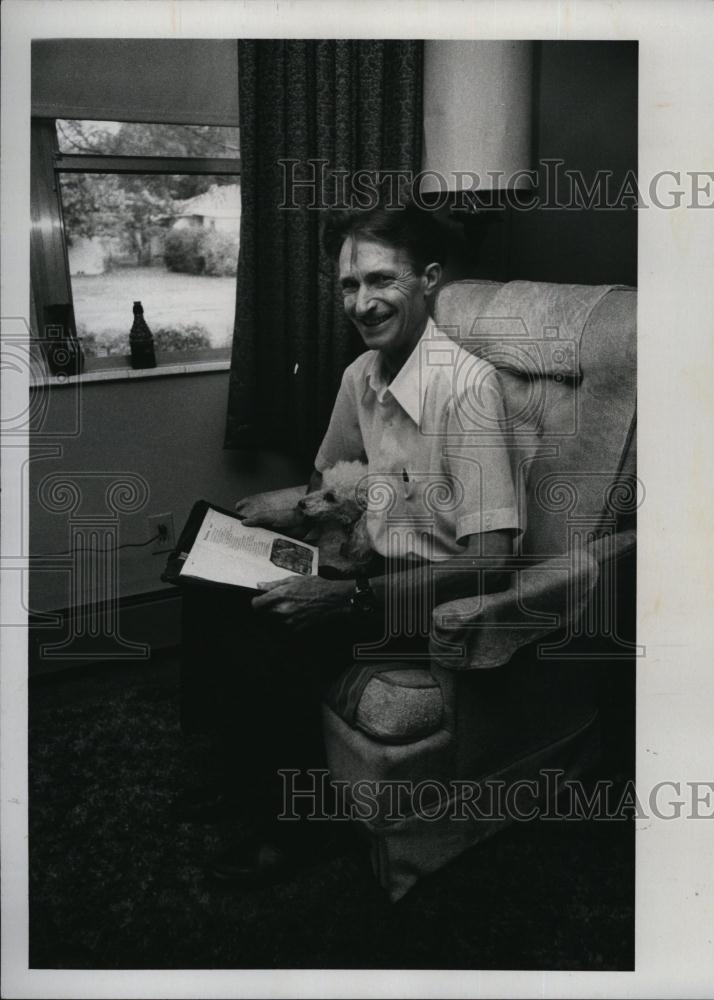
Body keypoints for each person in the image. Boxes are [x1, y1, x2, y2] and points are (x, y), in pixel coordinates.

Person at [179, 203, 523, 888]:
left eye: (379, 280)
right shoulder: (360, 376)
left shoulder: (470, 390)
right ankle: (238, 775)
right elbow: (326, 479)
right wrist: (290, 507)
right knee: (208, 579)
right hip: (365, 561)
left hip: (428, 596)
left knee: (266, 629)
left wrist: (346, 598)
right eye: (347, 285)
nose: (361, 304)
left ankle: (300, 833)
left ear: (427, 279)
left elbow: (491, 560)